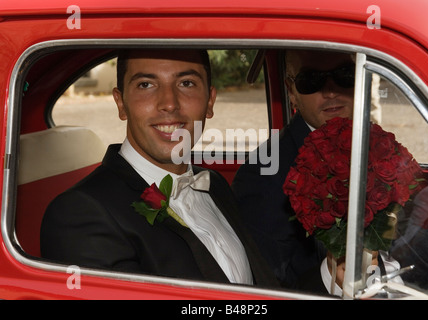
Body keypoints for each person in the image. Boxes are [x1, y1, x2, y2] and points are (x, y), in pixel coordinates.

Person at [40, 49, 279, 288]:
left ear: (209, 101)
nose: (169, 103)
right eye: (146, 85)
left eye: (186, 83)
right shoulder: (80, 214)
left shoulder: (214, 183)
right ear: (121, 103)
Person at [231, 49, 356, 291]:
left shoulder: (369, 146)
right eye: (311, 80)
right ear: (292, 92)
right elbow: (269, 285)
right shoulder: (264, 176)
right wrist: (333, 276)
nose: (330, 91)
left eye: (344, 75)